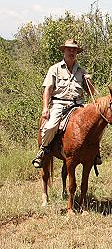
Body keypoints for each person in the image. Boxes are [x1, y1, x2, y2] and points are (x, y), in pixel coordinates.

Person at [32, 39, 100, 168]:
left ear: (76, 52)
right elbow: (47, 90)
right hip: (60, 104)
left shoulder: (81, 71)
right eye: (69, 49)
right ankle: (43, 150)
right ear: (64, 51)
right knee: (51, 126)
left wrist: (89, 81)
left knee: (97, 122)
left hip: (79, 105)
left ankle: (95, 152)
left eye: (74, 50)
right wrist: (45, 108)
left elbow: (91, 91)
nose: (71, 52)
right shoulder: (54, 69)